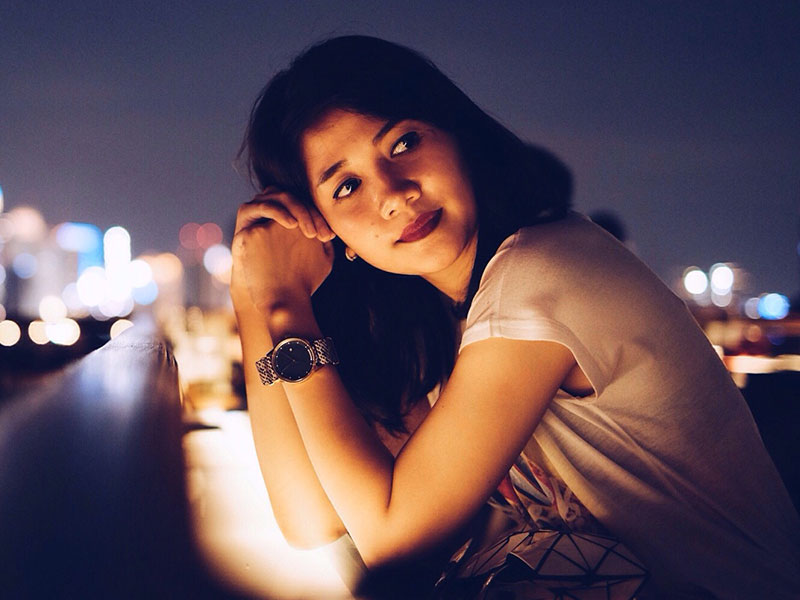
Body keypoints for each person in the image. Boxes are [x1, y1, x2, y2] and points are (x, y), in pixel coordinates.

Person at [230, 36, 800, 598]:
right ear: (331, 232)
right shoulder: (449, 324)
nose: (393, 195)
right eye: (347, 185)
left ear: (457, 136)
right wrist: (255, 293)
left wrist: (287, 310)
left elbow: (392, 543)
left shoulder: (539, 274)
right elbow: (312, 521)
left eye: (403, 144)